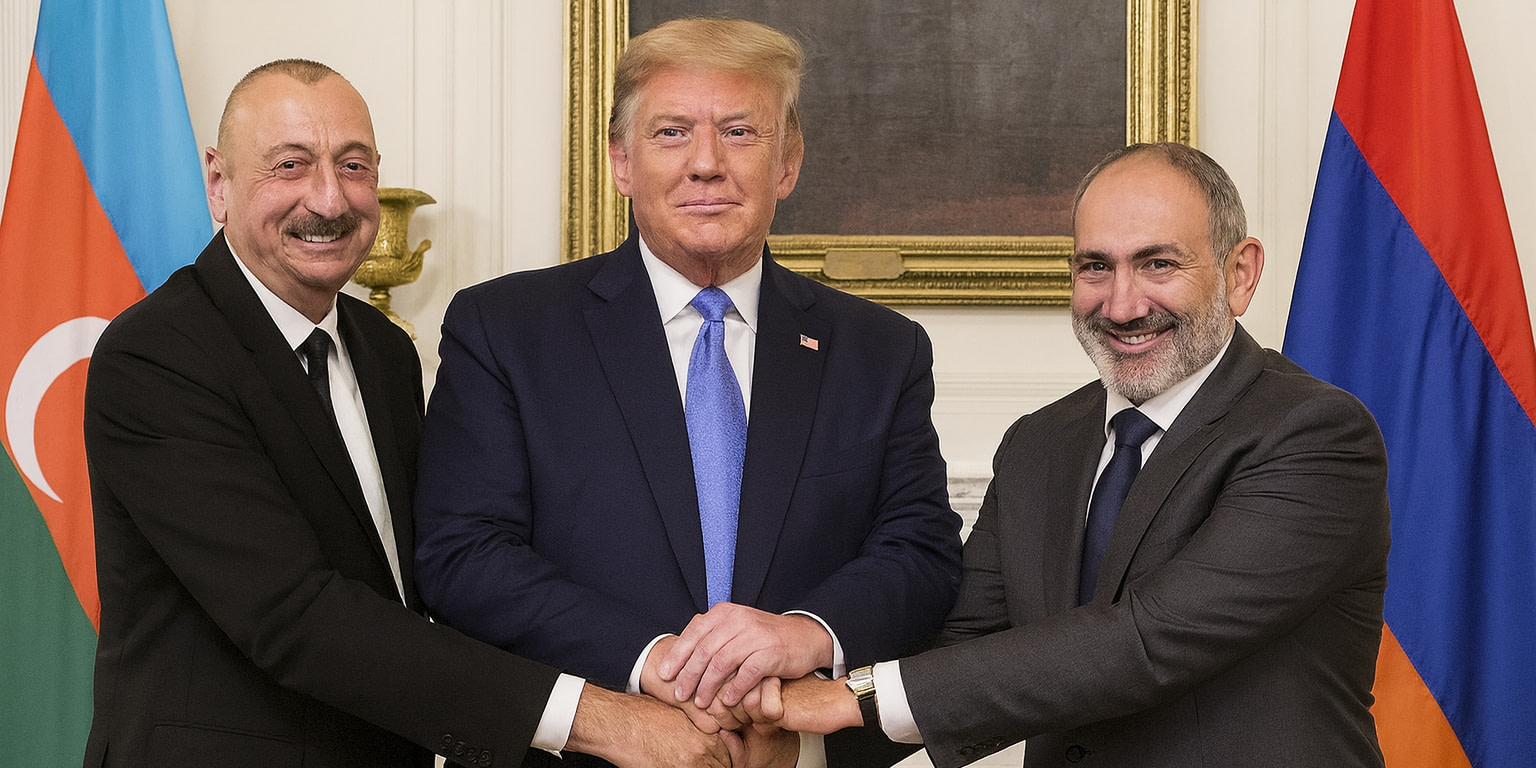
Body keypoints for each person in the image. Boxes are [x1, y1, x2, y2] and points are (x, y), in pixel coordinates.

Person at [82, 58, 732, 768]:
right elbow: (294, 616)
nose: (328, 198)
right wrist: (602, 720)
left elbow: (435, 572)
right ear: (218, 181)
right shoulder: (158, 356)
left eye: (353, 165)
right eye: (290, 165)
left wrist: (661, 664)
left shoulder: (383, 350)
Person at [412, 17, 964, 767]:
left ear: (788, 163)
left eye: (739, 132)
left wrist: (802, 635)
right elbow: (464, 554)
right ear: (621, 162)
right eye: (672, 133)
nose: (706, 164)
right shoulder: (505, 328)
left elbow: (919, 552)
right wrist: (658, 662)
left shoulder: (881, 351)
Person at [745, 142, 1392, 768]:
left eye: (1158, 264)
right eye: (1095, 267)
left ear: (1239, 273)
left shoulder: (1317, 436)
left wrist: (849, 699)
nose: (1123, 305)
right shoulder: (1040, 443)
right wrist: (788, 741)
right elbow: (962, 645)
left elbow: (1147, 639)